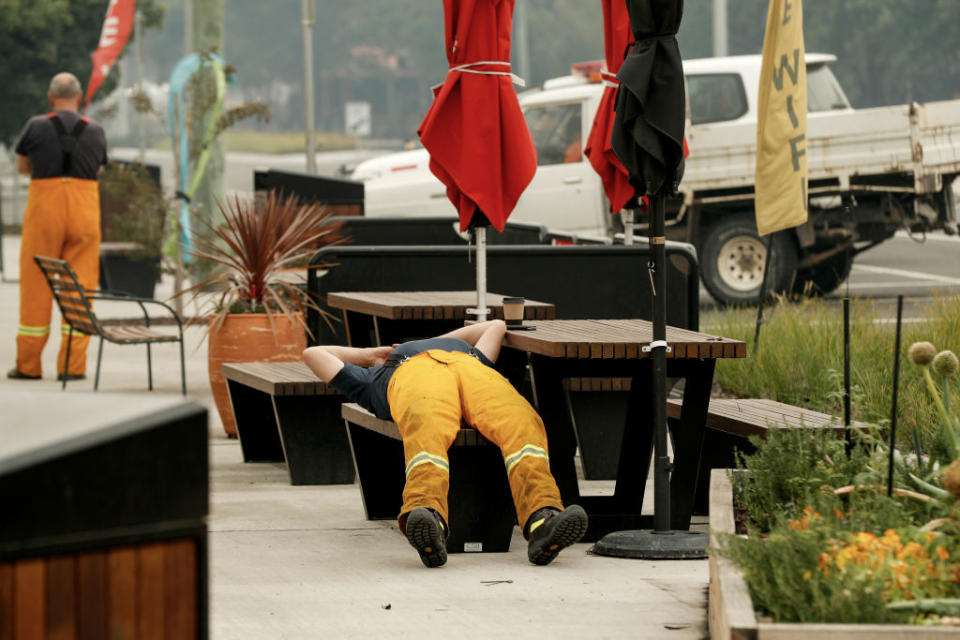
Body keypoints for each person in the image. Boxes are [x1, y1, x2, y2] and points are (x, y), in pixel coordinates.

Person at [302, 320, 588, 567]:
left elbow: (495, 326)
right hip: (415, 379)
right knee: (426, 428)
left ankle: (543, 521)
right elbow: (313, 353)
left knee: (523, 420)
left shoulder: (474, 354)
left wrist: (436, 343)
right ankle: (428, 518)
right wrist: (369, 355)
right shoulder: (373, 377)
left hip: (474, 372)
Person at [8, 72, 108, 381]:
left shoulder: (36, 125)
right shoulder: (96, 130)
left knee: (36, 285)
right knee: (80, 287)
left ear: (51, 99)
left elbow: (24, 167)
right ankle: (72, 366)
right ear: (79, 99)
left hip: (45, 211)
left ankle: (28, 365)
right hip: (84, 212)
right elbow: (100, 168)